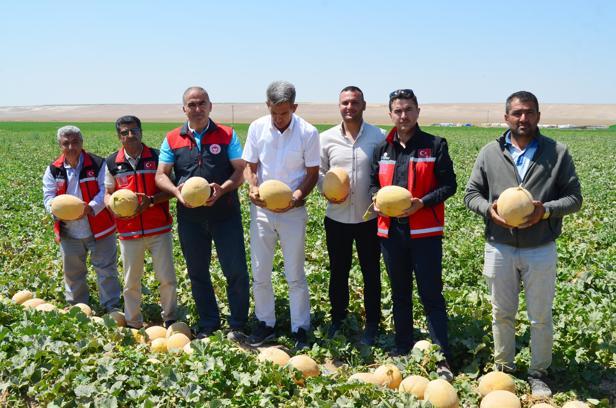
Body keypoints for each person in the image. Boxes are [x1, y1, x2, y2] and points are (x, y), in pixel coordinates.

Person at [464, 91, 582, 397]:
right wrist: (488, 210)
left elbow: (574, 198)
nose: (523, 118)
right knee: (501, 312)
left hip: (540, 247)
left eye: (529, 112)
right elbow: (471, 193)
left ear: (538, 116)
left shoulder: (557, 152)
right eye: (517, 113)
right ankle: (504, 368)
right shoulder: (490, 152)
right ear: (506, 118)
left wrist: (546, 211)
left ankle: (538, 372)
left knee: (540, 315)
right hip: (499, 246)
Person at [368, 89, 456, 379]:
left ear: (418, 111)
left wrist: (422, 203)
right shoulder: (382, 149)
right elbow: (372, 184)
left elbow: (449, 186)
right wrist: (376, 199)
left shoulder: (434, 145)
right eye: (398, 110)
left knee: (431, 294)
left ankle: (442, 356)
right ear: (390, 114)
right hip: (391, 233)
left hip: (425, 233)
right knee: (400, 293)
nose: (403, 115)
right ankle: (403, 347)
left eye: (408, 109)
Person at [155, 87, 249, 340]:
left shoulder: (227, 134)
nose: (197, 109)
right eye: (192, 104)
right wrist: (176, 192)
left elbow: (240, 170)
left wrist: (223, 189)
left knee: (236, 269)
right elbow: (161, 174)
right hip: (191, 217)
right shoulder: (172, 138)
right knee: (197, 271)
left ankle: (238, 324)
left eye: (202, 103)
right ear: (183, 108)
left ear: (210, 105)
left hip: (225, 213)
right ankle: (209, 323)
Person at [243, 80, 320, 349]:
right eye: (274, 112)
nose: (278, 118)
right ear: (268, 106)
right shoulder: (257, 128)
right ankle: (266, 324)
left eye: (284, 113)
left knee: (294, 272)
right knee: (260, 271)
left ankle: (300, 327)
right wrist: (252, 186)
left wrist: (298, 196)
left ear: (294, 107)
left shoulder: (308, 132)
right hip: (262, 211)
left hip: (292, 212)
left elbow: (312, 174)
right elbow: (250, 166)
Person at [319, 86, 385, 345]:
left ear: (364, 105)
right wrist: (326, 190)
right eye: (345, 103)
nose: (349, 107)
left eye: (354, 102)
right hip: (336, 217)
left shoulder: (378, 136)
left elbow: (384, 170)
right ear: (339, 106)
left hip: (369, 218)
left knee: (371, 272)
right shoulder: (326, 138)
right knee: (338, 271)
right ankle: (338, 318)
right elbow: (320, 172)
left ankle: (372, 323)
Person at [104, 115, 177, 329]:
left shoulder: (157, 157)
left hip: (159, 229)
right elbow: (108, 193)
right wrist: (112, 206)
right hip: (129, 231)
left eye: (134, 130)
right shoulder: (111, 163)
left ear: (141, 131)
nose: (130, 135)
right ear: (119, 136)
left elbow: (172, 189)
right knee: (131, 282)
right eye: (125, 132)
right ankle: (133, 321)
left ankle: (170, 319)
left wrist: (152, 201)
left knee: (167, 278)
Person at [42, 125, 121, 311]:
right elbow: (48, 198)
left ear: (82, 143)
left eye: (75, 142)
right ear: (60, 146)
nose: (71, 147)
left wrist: (90, 208)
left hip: (100, 227)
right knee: (73, 273)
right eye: (66, 143)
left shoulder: (97, 163)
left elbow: (106, 190)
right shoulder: (53, 170)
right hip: (69, 231)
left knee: (106, 270)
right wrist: (59, 210)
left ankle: (111, 307)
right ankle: (79, 308)